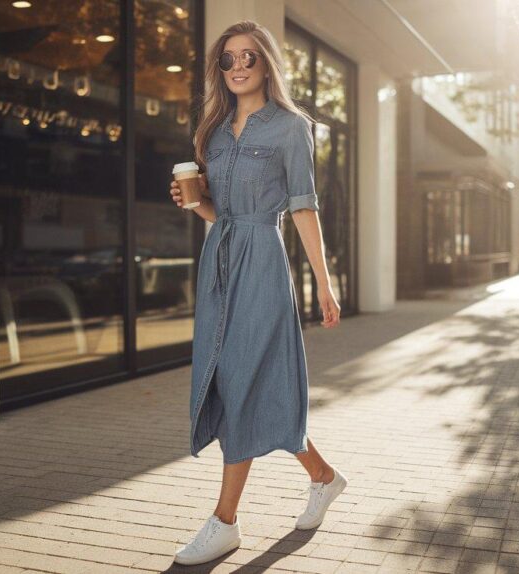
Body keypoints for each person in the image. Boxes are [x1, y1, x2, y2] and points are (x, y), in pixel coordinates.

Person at [167, 20, 346, 566]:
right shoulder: (214, 131)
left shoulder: (291, 127)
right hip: (220, 260)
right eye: (228, 59)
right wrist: (192, 201)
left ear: (266, 63)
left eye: (248, 56)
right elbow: (218, 212)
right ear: (219, 70)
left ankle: (224, 522)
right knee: (234, 381)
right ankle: (322, 476)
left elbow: (302, 207)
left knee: (245, 383)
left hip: (264, 263)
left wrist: (324, 281)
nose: (238, 66)